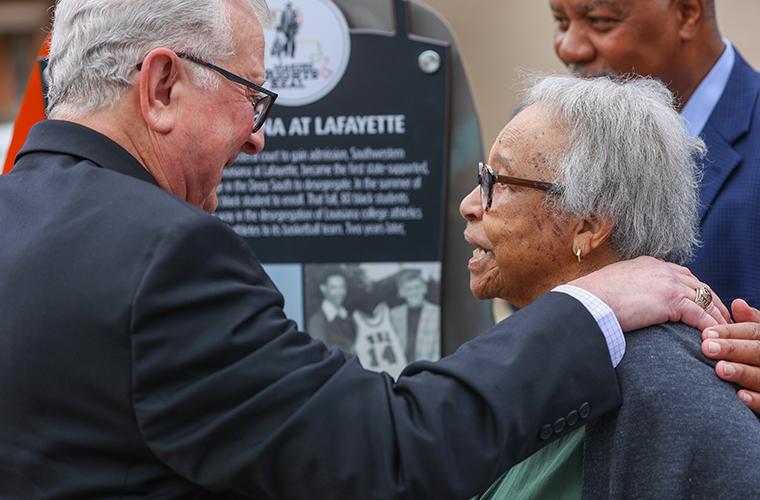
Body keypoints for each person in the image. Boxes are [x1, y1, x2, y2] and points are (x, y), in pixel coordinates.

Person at [0, 0, 726, 497]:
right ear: (160, 84)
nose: (258, 135)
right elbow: (385, 454)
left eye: (497, 182)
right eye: (251, 96)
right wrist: (586, 308)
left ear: (593, 221)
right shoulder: (162, 257)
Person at [461, 75, 760, 499]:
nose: (470, 205)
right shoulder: (547, 360)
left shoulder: (662, 385)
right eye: (482, 177)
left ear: (588, 226)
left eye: (499, 183)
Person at [548, 0, 760, 408]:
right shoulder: (548, 137)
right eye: (560, 21)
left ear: (686, 12)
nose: (570, 48)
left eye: (599, 21)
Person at [389, 269, 441, 362]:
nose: (414, 292)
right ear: (402, 292)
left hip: (427, 369)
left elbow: (438, 351)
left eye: (417, 287)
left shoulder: (437, 313)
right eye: (409, 289)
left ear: (424, 289)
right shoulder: (393, 314)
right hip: (400, 370)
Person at [306, 269, 356, 352]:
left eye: (342, 287)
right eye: (334, 287)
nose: (339, 292)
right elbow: (320, 355)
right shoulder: (317, 321)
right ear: (323, 289)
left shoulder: (349, 317)